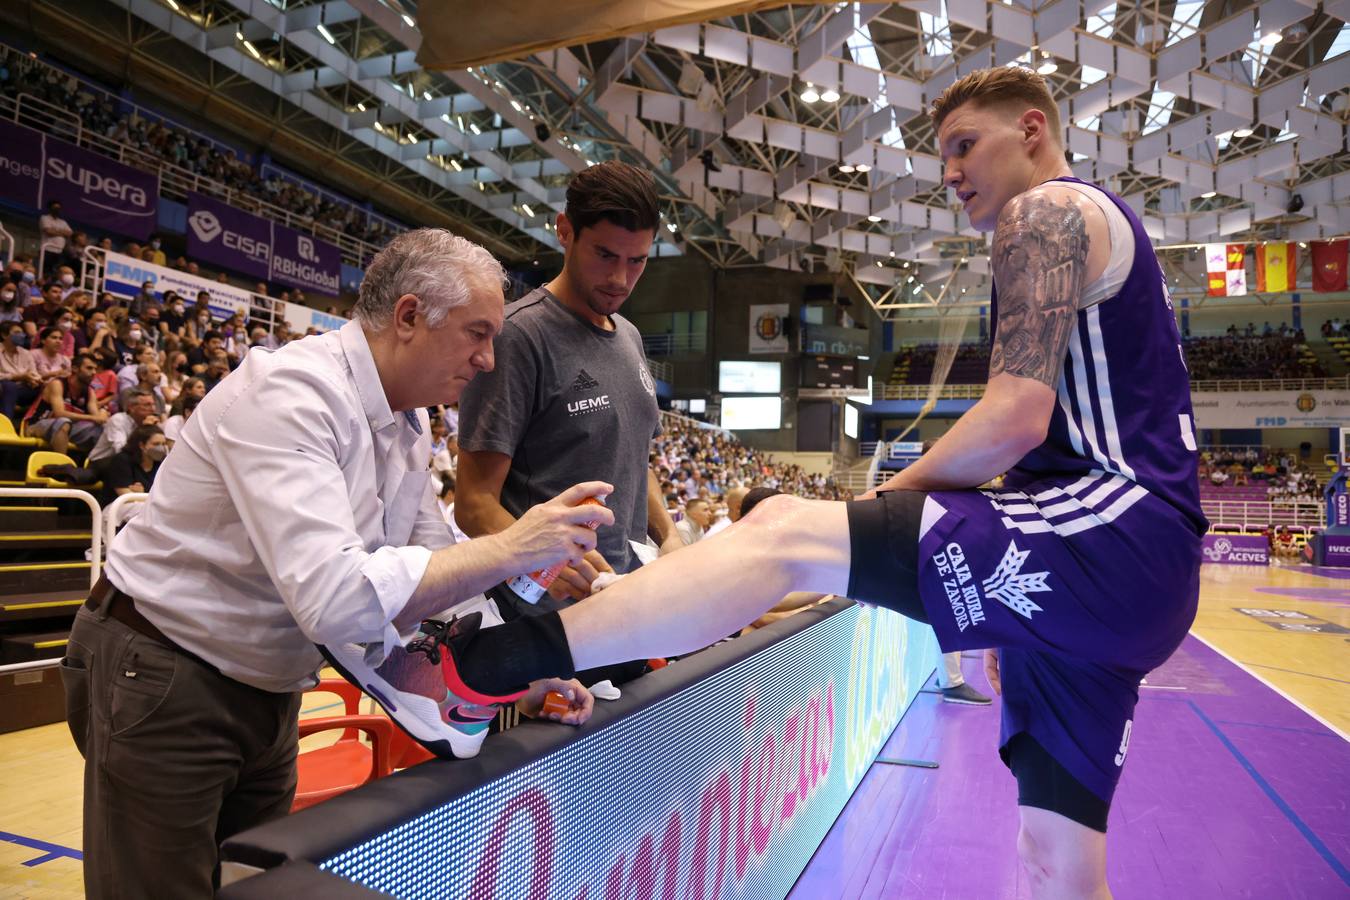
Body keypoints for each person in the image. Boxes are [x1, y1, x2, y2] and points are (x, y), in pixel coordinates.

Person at [388, 67, 1203, 900]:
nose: (950, 171)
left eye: (966, 145)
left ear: (1033, 129)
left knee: (781, 528)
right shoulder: (1102, 228)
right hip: (1127, 571)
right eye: (942, 153)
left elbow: (1014, 418)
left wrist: (872, 508)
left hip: (1109, 532)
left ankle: (479, 668)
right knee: (1057, 866)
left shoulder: (1048, 210)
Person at [63, 229, 602, 899]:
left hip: (266, 682)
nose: (488, 360)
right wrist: (515, 546)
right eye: (477, 333)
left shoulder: (404, 425)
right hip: (166, 666)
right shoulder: (291, 393)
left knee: (248, 885)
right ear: (409, 317)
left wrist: (517, 678)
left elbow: (440, 576)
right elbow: (338, 599)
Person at [456, 161, 685, 617]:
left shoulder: (630, 338)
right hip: (541, 616)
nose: (620, 279)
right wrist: (545, 560)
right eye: (604, 255)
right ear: (565, 231)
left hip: (622, 596)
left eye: (636, 261)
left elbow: (634, 461)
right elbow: (473, 502)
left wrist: (672, 538)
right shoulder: (519, 336)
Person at [25, 351, 106, 454]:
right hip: (37, 424)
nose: (94, 372)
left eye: (95, 369)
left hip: (68, 429)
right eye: (89, 368)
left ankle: (94, 467)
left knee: (100, 429)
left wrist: (102, 415)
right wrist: (93, 417)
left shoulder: (90, 392)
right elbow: (59, 413)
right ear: (75, 369)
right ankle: (61, 466)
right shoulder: (58, 384)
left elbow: (97, 418)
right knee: (63, 421)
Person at [102, 423, 166, 504]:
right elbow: (126, 496)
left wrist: (140, 495)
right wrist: (141, 496)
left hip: (147, 505)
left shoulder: (161, 464)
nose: (161, 448)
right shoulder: (122, 460)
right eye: (156, 444)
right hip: (116, 508)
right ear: (142, 445)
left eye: (163, 444)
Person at [0, 322, 41, 420]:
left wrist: (34, 380)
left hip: (23, 387)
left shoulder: (26, 353)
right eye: (17, 332)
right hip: (3, 386)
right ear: (4, 335)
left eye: (22, 332)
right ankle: (6, 424)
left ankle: (32, 424)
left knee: (46, 387)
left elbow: (34, 372)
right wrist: (16, 377)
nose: (22, 335)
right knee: (9, 386)